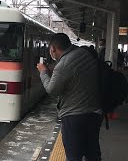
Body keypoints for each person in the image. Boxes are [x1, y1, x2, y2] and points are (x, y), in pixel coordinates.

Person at [37, 33, 102, 161]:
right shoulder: (84, 54)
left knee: (73, 156)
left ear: (53, 49)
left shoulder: (63, 65)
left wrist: (43, 72)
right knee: (92, 153)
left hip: (74, 116)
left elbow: (52, 90)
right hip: (94, 112)